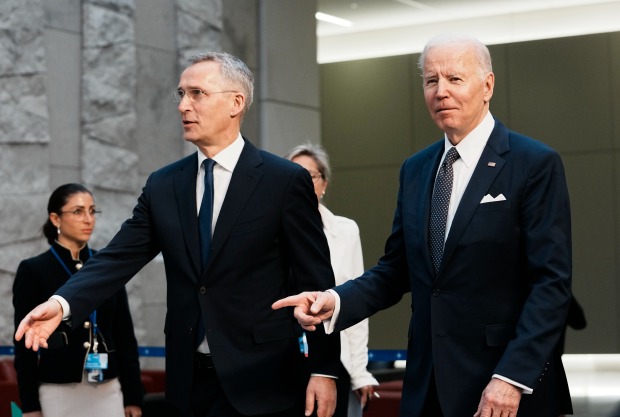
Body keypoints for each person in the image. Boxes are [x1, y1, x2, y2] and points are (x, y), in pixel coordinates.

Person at [15, 52, 340, 417]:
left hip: (264, 381)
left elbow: (317, 281)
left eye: (197, 93)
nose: (184, 105)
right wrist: (62, 304)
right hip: (188, 386)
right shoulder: (163, 185)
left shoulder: (283, 181)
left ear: (236, 103)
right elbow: (117, 257)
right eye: (181, 94)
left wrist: (324, 368)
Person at [274, 34, 573, 417]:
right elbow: (395, 269)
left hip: (502, 387)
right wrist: (334, 300)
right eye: (431, 81)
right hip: (427, 384)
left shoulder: (533, 163)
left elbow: (551, 285)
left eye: (454, 79)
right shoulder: (416, 169)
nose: (441, 91)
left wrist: (510, 379)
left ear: (488, 86)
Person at [12, 183, 143, 417]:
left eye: (92, 211)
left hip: (107, 387)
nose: (88, 219)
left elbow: (125, 336)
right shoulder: (34, 270)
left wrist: (134, 397)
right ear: (55, 218)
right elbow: (25, 346)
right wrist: (30, 405)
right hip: (59, 390)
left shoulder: (108, 266)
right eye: (78, 211)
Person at [285, 144, 379, 417]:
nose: (301, 182)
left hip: (330, 358)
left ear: (324, 183)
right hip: (283, 359)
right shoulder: (271, 231)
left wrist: (360, 371)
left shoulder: (345, 230)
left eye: (310, 176)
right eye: (293, 175)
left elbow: (356, 304)